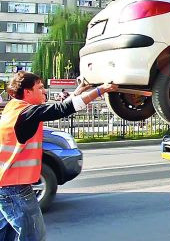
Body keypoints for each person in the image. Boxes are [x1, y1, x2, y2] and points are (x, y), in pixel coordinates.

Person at [0, 71, 118, 240]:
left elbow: (54, 109)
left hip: (6, 186)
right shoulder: (26, 114)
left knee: (6, 234)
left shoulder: (14, 109)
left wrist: (79, 91)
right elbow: (61, 109)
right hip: (15, 189)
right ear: (27, 92)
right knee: (33, 236)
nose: (44, 91)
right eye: (40, 88)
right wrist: (100, 90)